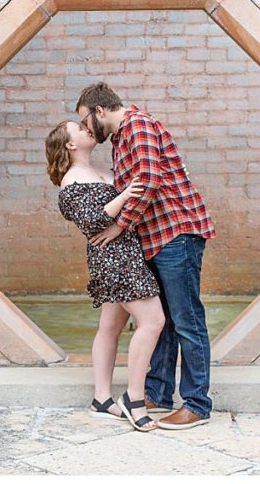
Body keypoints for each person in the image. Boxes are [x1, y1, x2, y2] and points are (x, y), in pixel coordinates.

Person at [75, 82, 216, 430]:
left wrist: (119, 226)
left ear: (101, 110)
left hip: (176, 235)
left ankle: (197, 404)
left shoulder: (137, 125)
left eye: (85, 120)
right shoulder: (122, 138)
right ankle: (158, 392)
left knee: (187, 321)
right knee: (162, 322)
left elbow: (149, 180)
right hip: (156, 240)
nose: (87, 128)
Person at [46, 120, 165, 432]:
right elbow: (92, 222)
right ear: (69, 144)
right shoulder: (71, 180)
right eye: (78, 129)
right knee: (153, 321)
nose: (87, 129)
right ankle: (135, 399)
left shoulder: (100, 169)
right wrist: (125, 194)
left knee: (110, 326)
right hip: (113, 257)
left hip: (127, 249)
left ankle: (101, 398)